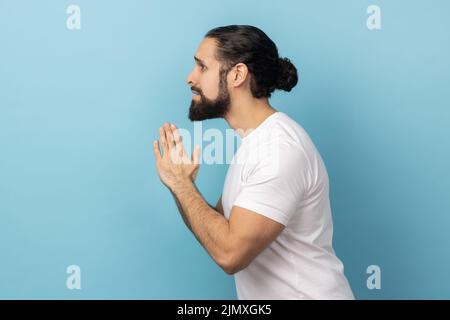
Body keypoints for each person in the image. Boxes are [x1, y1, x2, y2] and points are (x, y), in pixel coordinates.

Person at [152, 25, 354, 299]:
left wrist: (181, 184)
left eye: (202, 66)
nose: (190, 78)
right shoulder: (255, 144)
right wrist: (181, 185)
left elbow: (230, 253)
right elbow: (216, 229)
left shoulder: (279, 150)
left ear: (237, 74)